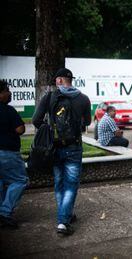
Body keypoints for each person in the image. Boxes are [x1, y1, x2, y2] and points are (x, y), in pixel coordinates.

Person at [32, 68, 91, 236]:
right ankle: (63, 221)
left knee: (59, 183)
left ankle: (65, 215)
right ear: (70, 79)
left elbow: (36, 120)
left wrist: (49, 132)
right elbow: (86, 122)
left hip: (54, 148)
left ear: (59, 80)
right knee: (71, 185)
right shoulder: (83, 98)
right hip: (74, 147)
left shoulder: (50, 97)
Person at [0, 81, 28, 229]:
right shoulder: (8, 110)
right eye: (6, 90)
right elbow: (20, 130)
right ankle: (4, 213)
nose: (9, 93)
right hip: (7, 153)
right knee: (20, 180)